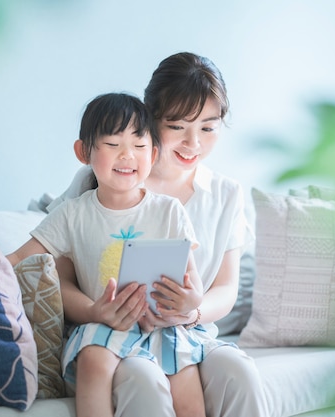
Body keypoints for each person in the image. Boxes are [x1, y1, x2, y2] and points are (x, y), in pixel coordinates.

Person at [48, 52, 268, 417]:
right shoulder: (105, 178)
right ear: (151, 120)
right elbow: (57, 274)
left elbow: (227, 289)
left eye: (208, 128)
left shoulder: (227, 194)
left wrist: (191, 312)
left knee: (240, 373)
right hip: (115, 337)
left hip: (190, 333)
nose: (193, 143)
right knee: (143, 378)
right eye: (178, 126)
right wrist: (96, 311)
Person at [7, 92, 230, 417]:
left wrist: (188, 303)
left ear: (153, 154)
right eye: (113, 145)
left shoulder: (169, 211)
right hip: (104, 323)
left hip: (162, 325)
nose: (127, 156)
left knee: (186, 383)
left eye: (139, 147)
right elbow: (19, 259)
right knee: (93, 362)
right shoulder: (72, 213)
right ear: (84, 152)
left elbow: (194, 286)